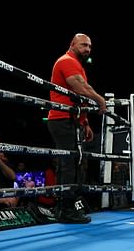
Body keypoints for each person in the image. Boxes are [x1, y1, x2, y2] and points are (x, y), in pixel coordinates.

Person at [47, 33, 107, 223]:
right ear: (72, 44)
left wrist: (85, 122)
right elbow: (80, 87)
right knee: (68, 164)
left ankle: (65, 207)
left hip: (73, 120)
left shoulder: (77, 64)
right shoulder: (66, 61)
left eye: (89, 46)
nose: (87, 49)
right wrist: (100, 100)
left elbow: (79, 97)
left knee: (75, 164)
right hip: (62, 118)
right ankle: (65, 209)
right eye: (83, 45)